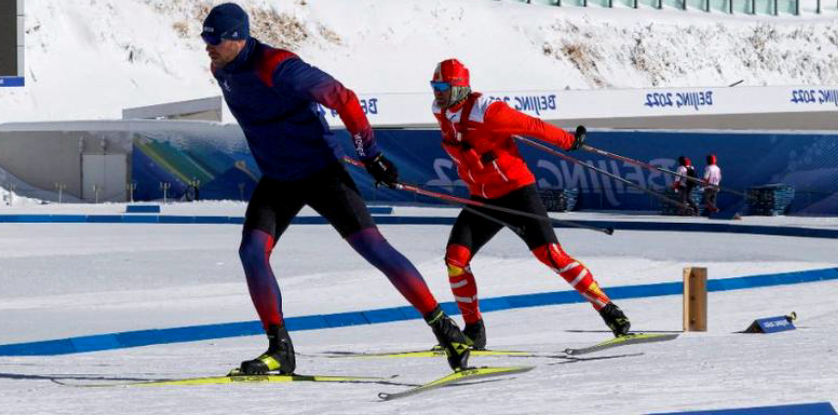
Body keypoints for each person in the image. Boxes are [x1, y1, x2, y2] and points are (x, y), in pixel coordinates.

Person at [201, 3, 469, 374]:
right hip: (279, 177)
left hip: (320, 172)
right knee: (251, 252)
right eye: (204, 38)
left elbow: (343, 97)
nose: (207, 46)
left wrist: (371, 154)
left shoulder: (277, 66)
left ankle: (446, 328)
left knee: (374, 249)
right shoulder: (221, 68)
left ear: (237, 37)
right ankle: (280, 349)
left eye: (213, 39)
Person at [428, 58, 631, 350]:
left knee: (551, 255)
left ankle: (609, 311)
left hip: (516, 192)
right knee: (455, 260)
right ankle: (473, 331)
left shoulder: (488, 111)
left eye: (443, 87)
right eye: (434, 86)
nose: (437, 92)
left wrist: (568, 141)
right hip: (483, 198)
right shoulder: (441, 112)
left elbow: (531, 126)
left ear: (459, 87)